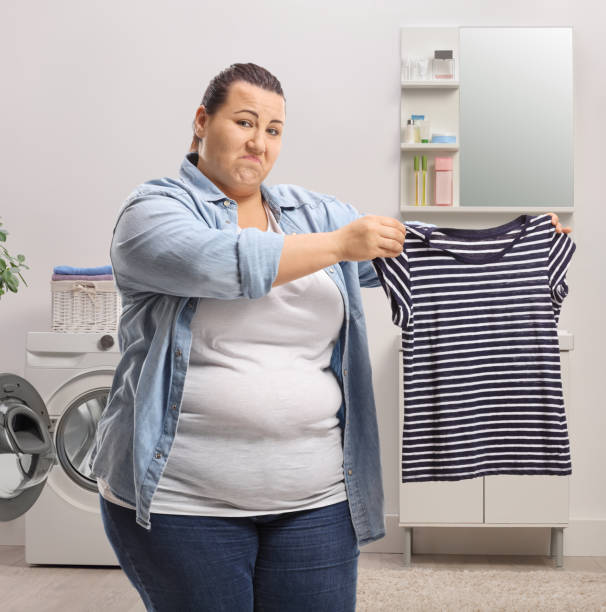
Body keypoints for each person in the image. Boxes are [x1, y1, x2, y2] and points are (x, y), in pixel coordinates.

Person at [89, 62, 572, 612]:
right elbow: (226, 263)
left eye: (273, 131)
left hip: (316, 501)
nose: (259, 143)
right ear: (202, 121)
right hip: (183, 507)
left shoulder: (312, 213)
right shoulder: (153, 212)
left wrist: (520, 242)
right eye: (244, 122)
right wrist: (343, 244)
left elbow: (419, 254)